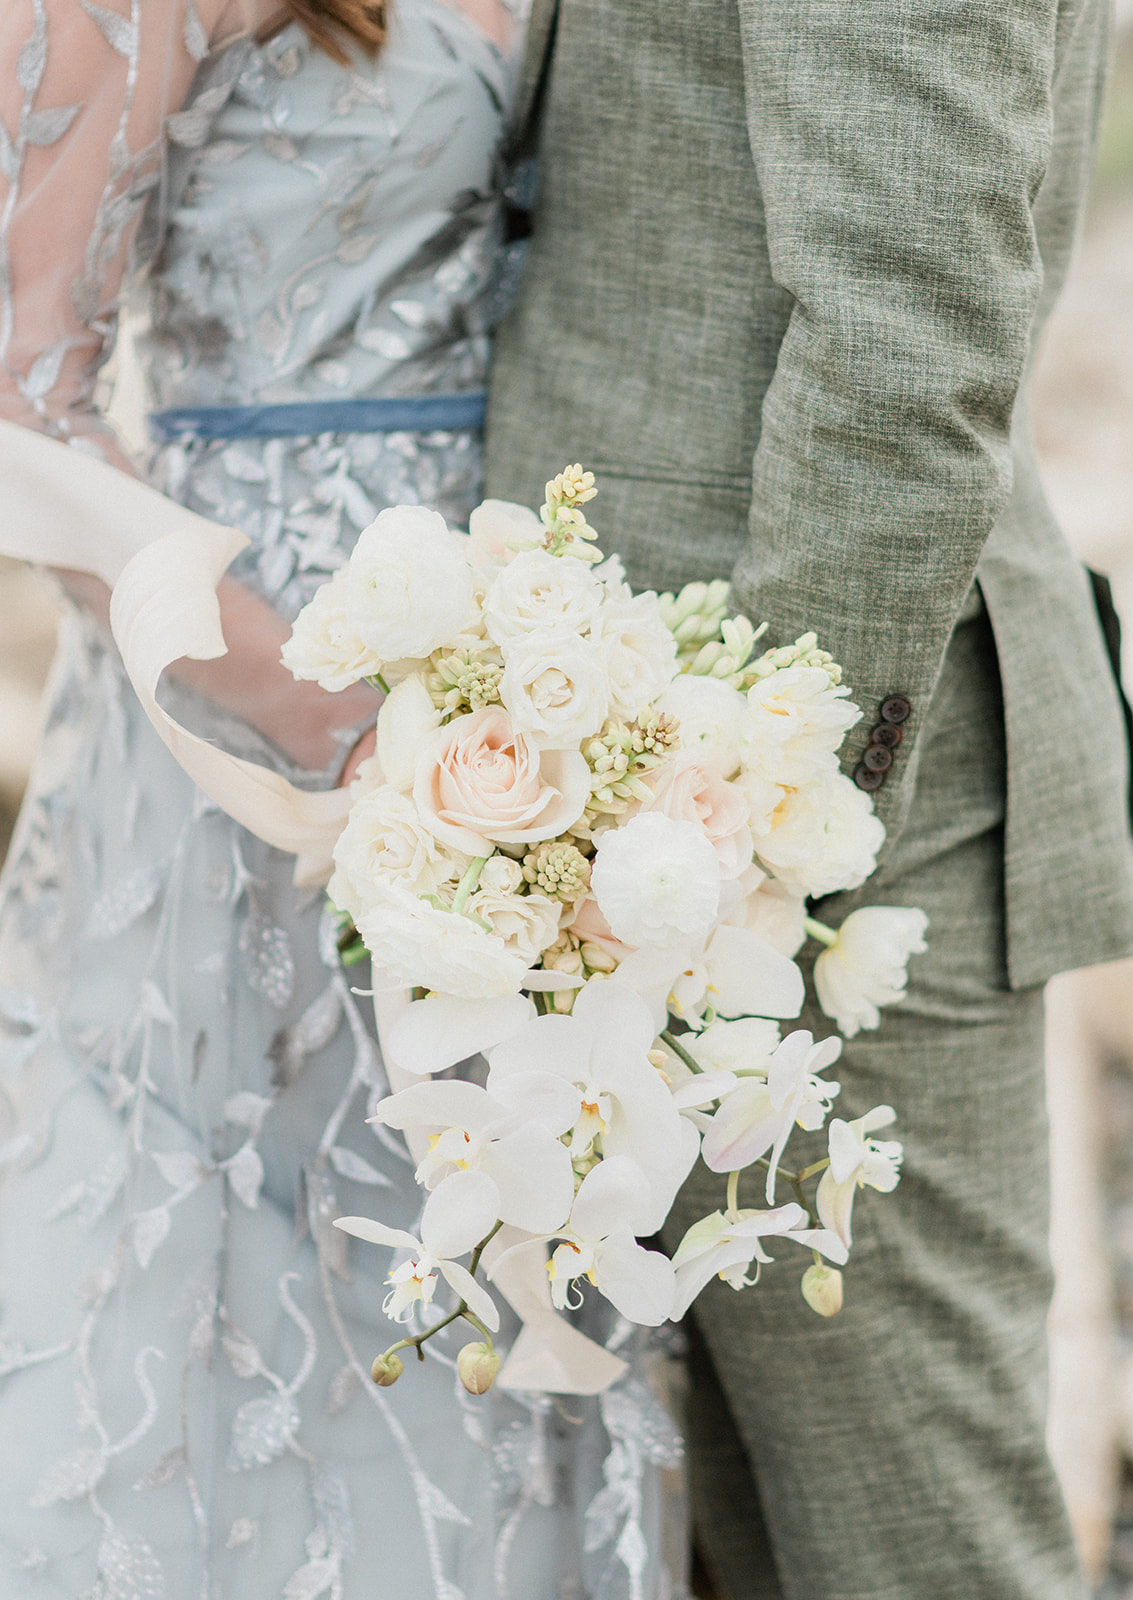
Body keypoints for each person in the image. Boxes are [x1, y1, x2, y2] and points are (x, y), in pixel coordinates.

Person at [0, 3, 689, 1595]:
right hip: (253, 684)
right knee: (273, 1238)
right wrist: (331, 717)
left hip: (530, 664)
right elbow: (23, 394)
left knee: (514, 1208)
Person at [484, 2, 1133, 1598]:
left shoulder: (748, 833)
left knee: (912, 1546)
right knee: (771, 1542)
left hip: (805, 826)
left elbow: (909, 353)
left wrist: (740, 831)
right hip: (668, 786)